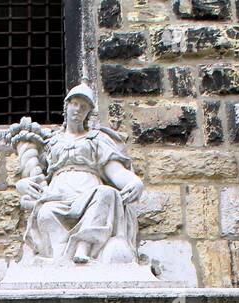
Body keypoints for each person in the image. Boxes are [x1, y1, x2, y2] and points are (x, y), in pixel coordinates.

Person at [15, 83, 145, 266]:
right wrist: (22, 184)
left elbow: (116, 171)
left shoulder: (96, 140)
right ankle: (60, 259)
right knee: (45, 212)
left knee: (107, 193)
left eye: (83, 107)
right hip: (57, 193)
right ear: (66, 106)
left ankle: (83, 245)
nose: (78, 109)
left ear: (88, 113)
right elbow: (37, 175)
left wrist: (134, 181)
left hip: (88, 189)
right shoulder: (52, 142)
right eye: (75, 104)